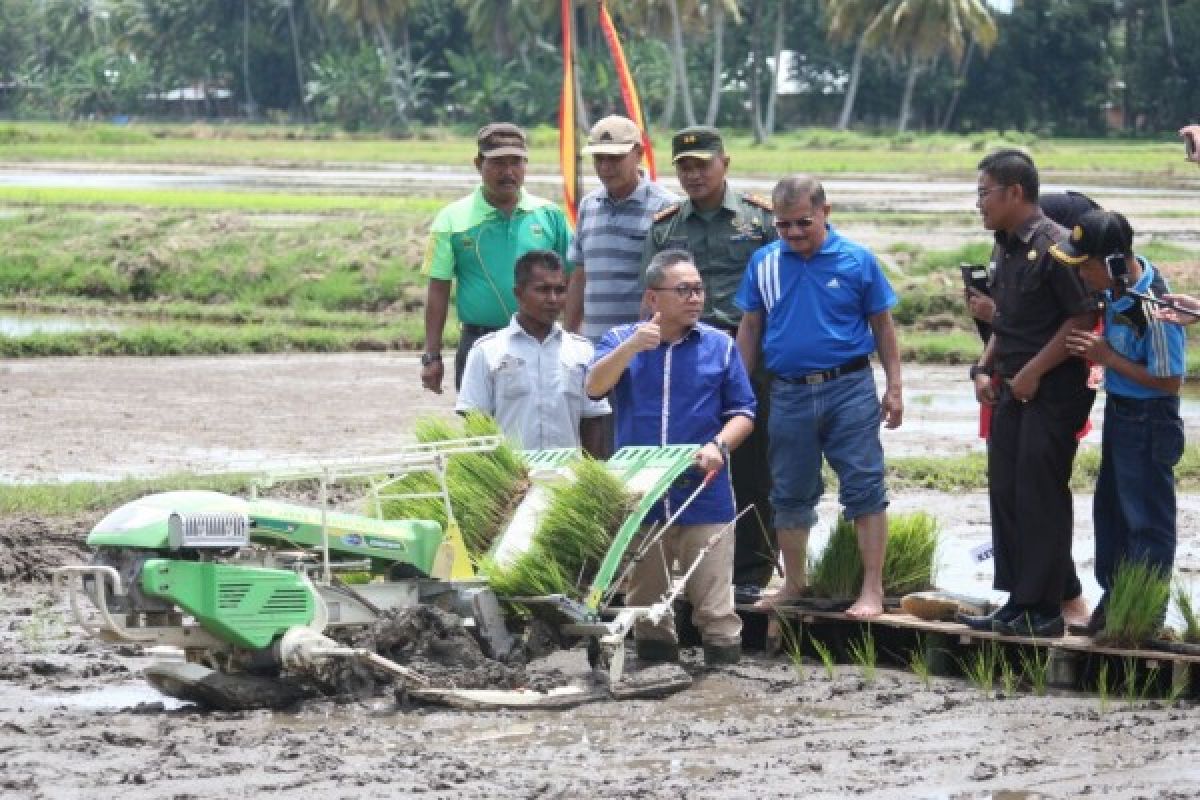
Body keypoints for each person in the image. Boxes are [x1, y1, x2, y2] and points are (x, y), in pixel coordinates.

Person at [735, 174, 904, 620]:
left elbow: (883, 325)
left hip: (849, 388)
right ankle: (794, 584)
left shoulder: (857, 260)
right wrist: (735, 387)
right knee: (788, 491)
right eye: (783, 225)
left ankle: (871, 589)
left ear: (825, 213)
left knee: (864, 486)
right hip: (788, 392)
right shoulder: (764, 263)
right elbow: (750, 327)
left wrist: (895, 387)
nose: (793, 234)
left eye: (802, 223)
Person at [586, 250, 756, 666]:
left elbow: (744, 412)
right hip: (642, 499)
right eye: (683, 290)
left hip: (705, 492)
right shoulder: (619, 340)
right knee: (647, 608)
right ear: (652, 298)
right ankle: (655, 673)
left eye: (698, 289)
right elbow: (593, 388)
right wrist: (630, 348)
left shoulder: (720, 346)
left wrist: (719, 446)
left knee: (715, 606)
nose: (695, 297)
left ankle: (722, 682)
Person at [959, 149, 1097, 638]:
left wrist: (1036, 371)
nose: (979, 203)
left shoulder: (1057, 245)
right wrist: (983, 367)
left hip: (1051, 388)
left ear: (1014, 192)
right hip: (1012, 385)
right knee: (1008, 493)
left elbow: (1079, 319)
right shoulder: (1005, 245)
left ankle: (1045, 609)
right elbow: (1009, 319)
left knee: (1041, 496)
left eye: (984, 193)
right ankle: (1018, 601)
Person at [642, 125, 777, 591]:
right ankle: (694, 573)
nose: (693, 174)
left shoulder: (760, 220)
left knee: (754, 464)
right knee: (691, 459)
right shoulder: (666, 227)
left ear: (725, 163)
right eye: (684, 166)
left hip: (751, 351)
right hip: (688, 357)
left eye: (702, 163)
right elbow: (652, 300)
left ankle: (753, 573)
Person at [1052, 210, 1187, 635]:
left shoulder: (1156, 306)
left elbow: (1169, 382)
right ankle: (1114, 605)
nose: (1083, 276)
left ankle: (1143, 618)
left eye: (1085, 266)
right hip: (1122, 414)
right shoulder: (1116, 289)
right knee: (1111, 514)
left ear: (1111, 263)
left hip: (1150, 420)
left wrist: (1107, 358)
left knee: (1145, 520)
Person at [420, 122, 572, 393]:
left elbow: (572, 279)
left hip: (539, 339)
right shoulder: (452, 219)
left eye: (516, 162)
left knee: (540, 426)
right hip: (479, 341)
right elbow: (438, 290)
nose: (508, 172)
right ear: (479, 164)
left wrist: (573, 340)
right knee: (480, 430)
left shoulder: (550, 215)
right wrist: (431, 355)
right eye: (498, 163)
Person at [564, 115, 676, 458]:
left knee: (640, 442)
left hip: (643, 350)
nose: (606, 167)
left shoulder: (665, 206)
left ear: (638, 154)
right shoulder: (588, 205)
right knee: (597, 444)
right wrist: (567, 335)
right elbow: (580, 274)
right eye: (599, 158)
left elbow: (671, 284)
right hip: (595, 350)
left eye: (615, 157)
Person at [456, 250, 609, 456]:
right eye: (543, 290)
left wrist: (594, 480)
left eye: (560, 290)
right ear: (518, 293)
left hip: (565, 481)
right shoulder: (487, 352)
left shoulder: (582, 351)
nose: (553, 299)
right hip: (511, 482)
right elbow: (476, 429)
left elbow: (592, 421)